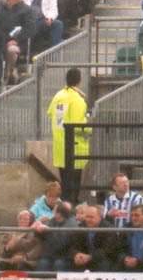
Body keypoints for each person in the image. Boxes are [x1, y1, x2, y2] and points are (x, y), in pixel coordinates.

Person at [48, 68, 89, 203]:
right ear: (79, 81)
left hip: (60, 148)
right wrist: (89, 129)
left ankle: (65, 211)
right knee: (73, 190)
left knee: (65, 186)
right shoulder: (77, 99)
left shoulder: (58, 96)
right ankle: (70, 215)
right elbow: (79, 126)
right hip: (75, 148)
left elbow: (50, 114)